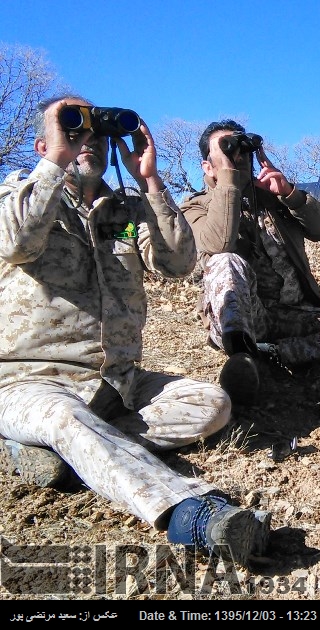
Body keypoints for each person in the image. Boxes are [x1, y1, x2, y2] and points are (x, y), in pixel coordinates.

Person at [0, 95, 271, 570]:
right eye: (72, 126)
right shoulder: (17, 196)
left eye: (96, 131)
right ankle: (195, 515)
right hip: (30, 382)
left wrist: (149, 179)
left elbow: (178, 262)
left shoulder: (124, 211)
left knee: (211, 405)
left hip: (116, 382)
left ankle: (70, 455)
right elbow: (16, 242)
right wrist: (56, 162)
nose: (88, 138)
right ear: (45, 144)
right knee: (66, 419)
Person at [181, 120, 320, 406]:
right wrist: (229, 181)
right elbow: (218, 244)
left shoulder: (271, 197)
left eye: (241, 149)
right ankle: (241, 352)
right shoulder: (195, 208)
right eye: (226, 150)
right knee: (225, 260)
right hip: (245, 316)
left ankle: (268, 355)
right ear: (207, 167)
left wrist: (289, 193)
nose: (237, 156)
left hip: (294, 313)